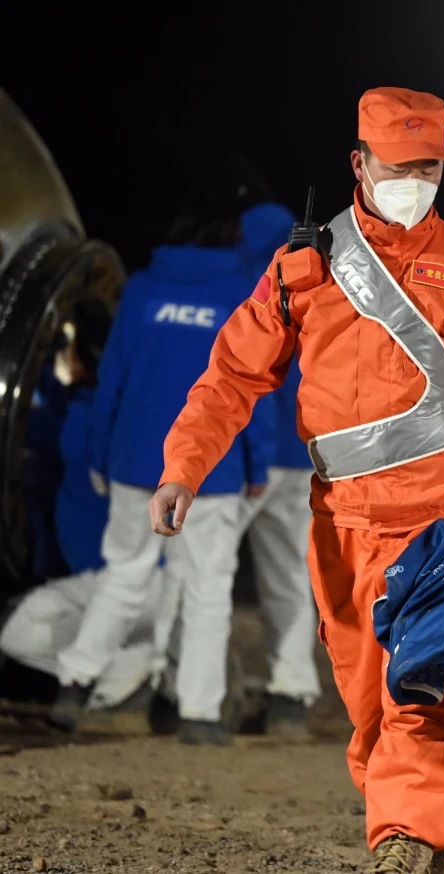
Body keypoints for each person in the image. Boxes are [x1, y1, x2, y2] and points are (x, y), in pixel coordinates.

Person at [150, 88, 444, 874]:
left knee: (411, 693)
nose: (415, 181)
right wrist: (184, 467)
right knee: (363, 704)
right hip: (339, 521)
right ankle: (405, 824)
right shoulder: (304, 265)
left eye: (429, 168)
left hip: (440, 521)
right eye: (399, 166)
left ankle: (408, 839)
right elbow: (230, 377)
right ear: (359, 164)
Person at [49, 159, 277, 745]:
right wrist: (257, 462)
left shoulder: (144, 290)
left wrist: (101, 455)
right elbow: (250, 386)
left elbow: (113, 381)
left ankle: (74, 685)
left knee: (123, 575)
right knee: (206, 589)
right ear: (230, 235)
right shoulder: (239, 293)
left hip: (134, 464)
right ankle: (199, 715)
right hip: (212, 473)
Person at [1, 300, 163, 729]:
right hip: (154, 583)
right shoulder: (126, 413)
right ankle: (148, 665)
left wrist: (36, 365)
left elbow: (25, 424)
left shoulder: (77, 423)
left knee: (19, 629)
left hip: (114, 585)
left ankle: (136, 675)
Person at [234, 201, 323, 737]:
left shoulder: (250, 285)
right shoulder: (318, 278)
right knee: (290, 576)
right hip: (304, 456)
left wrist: (256, 456)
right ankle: (292, 692)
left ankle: (184, 690)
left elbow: (253, 379)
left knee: (197, 576)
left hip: (251, 462)